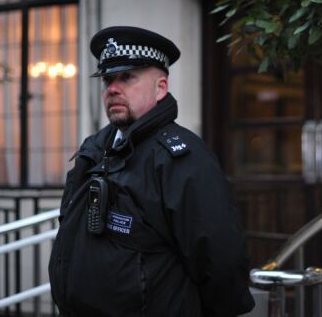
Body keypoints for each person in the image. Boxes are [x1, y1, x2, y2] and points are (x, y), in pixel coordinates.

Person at [49, 26, 255, 317]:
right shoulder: (96, 148)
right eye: (108, 79)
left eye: (127, 77)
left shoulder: (182, 158)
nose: (112, 88)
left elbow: (219, 260)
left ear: (160, 88)